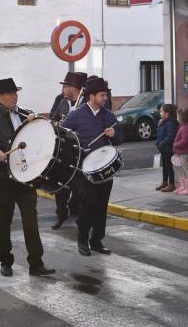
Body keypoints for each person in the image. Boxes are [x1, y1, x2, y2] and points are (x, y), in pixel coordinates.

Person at [0, 78, 55, 277]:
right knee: (3, 221)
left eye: (15, 92)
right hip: (1, 177)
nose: (13, 96)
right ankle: (5, 261)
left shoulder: (25, 113)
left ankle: (36, 263)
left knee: (30, 219)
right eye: (8, 93)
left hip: (25, 177)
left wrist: (37, 122)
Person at [62, 77, 124, 257]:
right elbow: (64, 137)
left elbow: (120, 138)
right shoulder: (76, 115)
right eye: (102, 95)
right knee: (89, 204)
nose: (105, 98)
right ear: (91, 96)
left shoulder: (108, 116)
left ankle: (96, 240)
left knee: (101, 205)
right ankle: (82, 239)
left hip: (104, 169)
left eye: (106, 95)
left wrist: (114, 134)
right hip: (83, 170)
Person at [50, 71, 87, 229]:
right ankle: (61, 214)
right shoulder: (62, 101)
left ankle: (75, 209)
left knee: (79, 184)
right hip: (64, 149)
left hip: (79, 150)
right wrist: (57, 123)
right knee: (60, 183)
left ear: (73, 88)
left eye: (65, 86)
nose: (63, 89)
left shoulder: (85, 103)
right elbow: (54, 117)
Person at [172, 108, 188, 195]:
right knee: (183, 169)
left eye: (177, 117)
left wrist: (176, 145)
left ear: (182, 118)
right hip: (182, 152)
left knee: (187, 170)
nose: (177, 118)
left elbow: (186, 141)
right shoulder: (183, 126)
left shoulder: (187, 127)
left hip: (185, 152)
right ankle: (183, 186)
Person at [155, 104, 178, 192]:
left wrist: (162, 143)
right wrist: (158, 142)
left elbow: (170, 136)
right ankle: (164, 182)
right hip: (164, 148)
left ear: (167, 113)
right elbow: (160, 133)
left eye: (161, 111)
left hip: (168, 149)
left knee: (169, 166)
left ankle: (171, 184)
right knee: (164, 166)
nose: (160, 113)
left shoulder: (171, 123)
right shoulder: (164, 122)